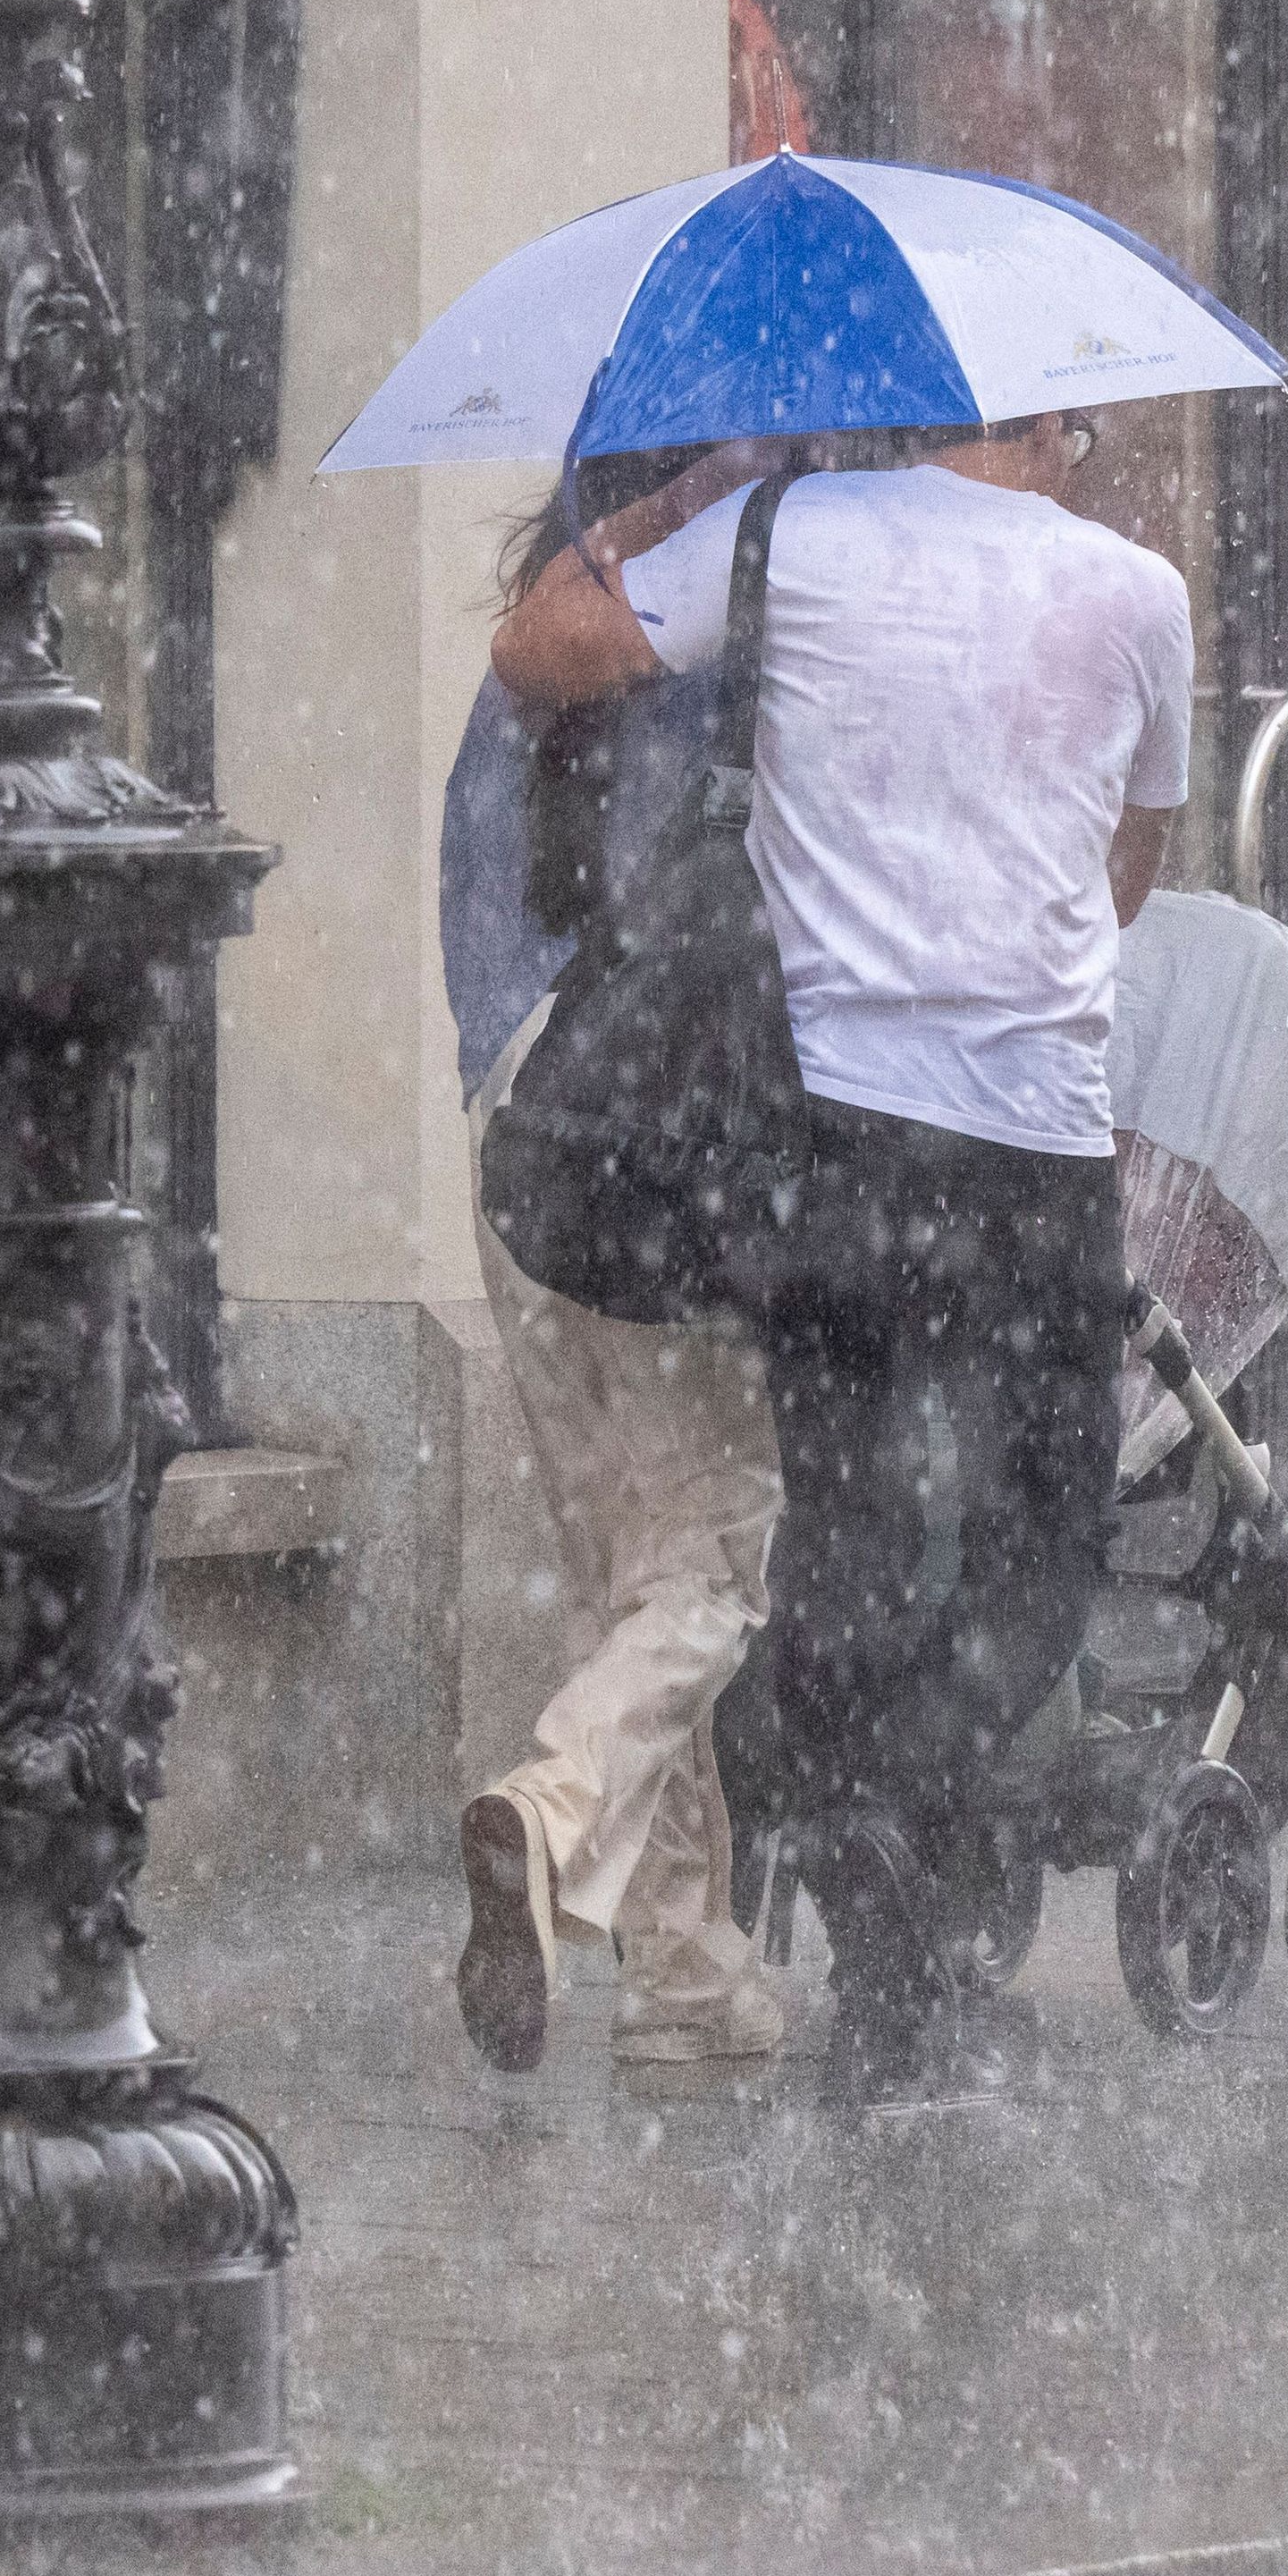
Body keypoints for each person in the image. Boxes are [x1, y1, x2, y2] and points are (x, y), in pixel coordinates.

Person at [489, 407, 1187, 2105]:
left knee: (854, 1524)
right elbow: (1130, 872)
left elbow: (540, 646)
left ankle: (862, 1866)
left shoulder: (790, 541)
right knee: (1041, 1536)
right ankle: (901, 1820)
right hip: (1031, 1142)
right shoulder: (1136, 591)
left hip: (835, 1143)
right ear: (1062, 420)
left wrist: (701, 499)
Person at [443, 443, 798, 2078]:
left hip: (515, 1134)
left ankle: (682, 1973)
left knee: (622, 1566)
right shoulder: (723, 646)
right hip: (662, 1131)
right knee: (713, 1561)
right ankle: (548, 1802)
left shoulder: (521, 665)